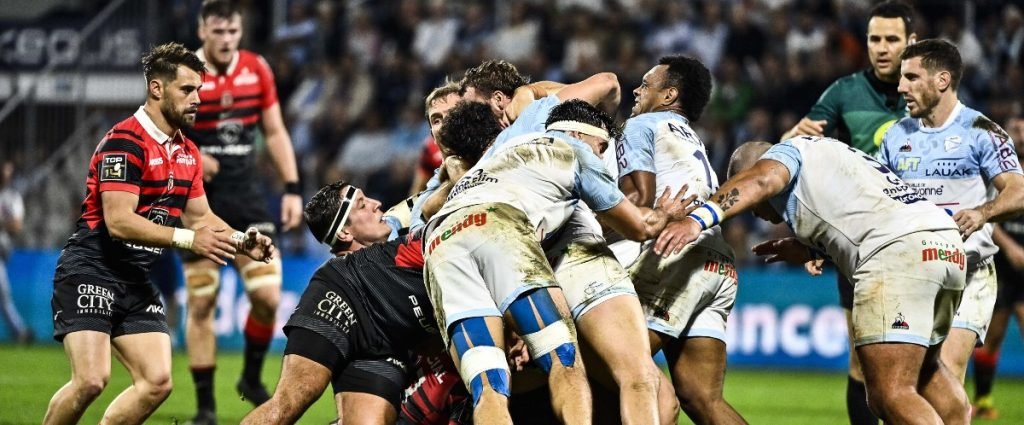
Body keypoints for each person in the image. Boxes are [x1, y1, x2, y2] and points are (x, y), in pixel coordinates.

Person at [656, 137, 969, 424]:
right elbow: (866, 215)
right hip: (945, 246)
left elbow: (762, 179)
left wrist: (697, 220)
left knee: (891, 393)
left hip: (898, 253)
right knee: (928, 369)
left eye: (750, 203)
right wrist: (810, 248)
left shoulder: (785, 154)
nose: (753, 211)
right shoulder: (829, 152)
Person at [43, 42, 274, 425]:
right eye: (187, 90)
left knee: (157, 381)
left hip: (135, 278)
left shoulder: (188, 152)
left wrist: (241, 241)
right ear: (157, 89)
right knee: (91, 380)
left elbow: (201, 218)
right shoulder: (124, 142)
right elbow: (119, 221)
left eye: (200, 90)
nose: (198, 99)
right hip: (91, 268)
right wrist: (186, 239)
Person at [424, 100, 693, 424]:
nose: (600, 157)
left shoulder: (501, 151)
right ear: (576, 133)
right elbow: (638, 227)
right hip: (507, 230)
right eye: (601, 146)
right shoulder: (571, 150)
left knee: (489, 384)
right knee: (573, 363)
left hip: (441, 243)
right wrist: (666, 214)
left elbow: (427, 210)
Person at [780, 2, 917, 422]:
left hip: (917, 237)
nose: (882, 48)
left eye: (892, 39)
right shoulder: (843, 93)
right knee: (863, 361)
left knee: (920, 364)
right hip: (860, 243)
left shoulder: (929, 91)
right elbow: (792, 149)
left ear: (911, 43)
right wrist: (791, 135)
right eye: (875, 38)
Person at [180, 2, 302, 422]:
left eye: (233, 31)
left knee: (268, 297)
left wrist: (291, 188)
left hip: (248, 199)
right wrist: (194, 155)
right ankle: (206, 407)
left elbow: (274, 130)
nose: (227, 40)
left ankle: (250, 378)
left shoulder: (257, 69)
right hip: (198, 204)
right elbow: (161, 132)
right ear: (202, 30)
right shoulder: (184, 72)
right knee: (201, 304)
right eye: (218, 32)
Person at [879, 39, 1024, 386]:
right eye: (901, 78)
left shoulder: (982, 132)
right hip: (913, 274)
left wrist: (982, 212)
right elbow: (876, 203)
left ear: (942, 81)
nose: (901, 87)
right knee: (897, 385)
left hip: (968, 273)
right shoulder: (896, 136)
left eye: (912, 78)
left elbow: (1018, 192)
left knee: (944, 372)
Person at [612, 55, 746, 424]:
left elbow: (638, 199)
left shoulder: (640, 126)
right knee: (703, 399)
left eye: (646, 83)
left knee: (614, 370)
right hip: (717, 257)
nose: (637, 90)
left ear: (669, 94)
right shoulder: (689, 137)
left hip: (675, 250)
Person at [242, 181, 438, 425]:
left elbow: (430, 195)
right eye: (362, 205)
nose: (377, 204)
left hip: (383, 337)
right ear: (345, 233)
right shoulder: (341, 275)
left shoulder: (396, 224)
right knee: (290, 402)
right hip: (339, 298)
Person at [971, 117, 1024, 419]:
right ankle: (983, 399)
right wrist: (1011, 247)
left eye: (1022, 127)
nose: (1018, 133)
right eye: (1014, 129)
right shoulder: (997, 170)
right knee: (992, 336)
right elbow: (986, 214)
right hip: (1002, 264)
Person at [408, 80, 462, 196]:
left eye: (452, 114)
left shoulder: (497, 154)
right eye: (436, 120)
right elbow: (417, 190)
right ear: (433, 135)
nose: (444, 124)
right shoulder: (429, 148)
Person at [0, 161, 31, 344]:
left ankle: (19, 330)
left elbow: (17, 224)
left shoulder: (12, 197)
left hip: (2, 248)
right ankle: (19, 330)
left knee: (3, 293)